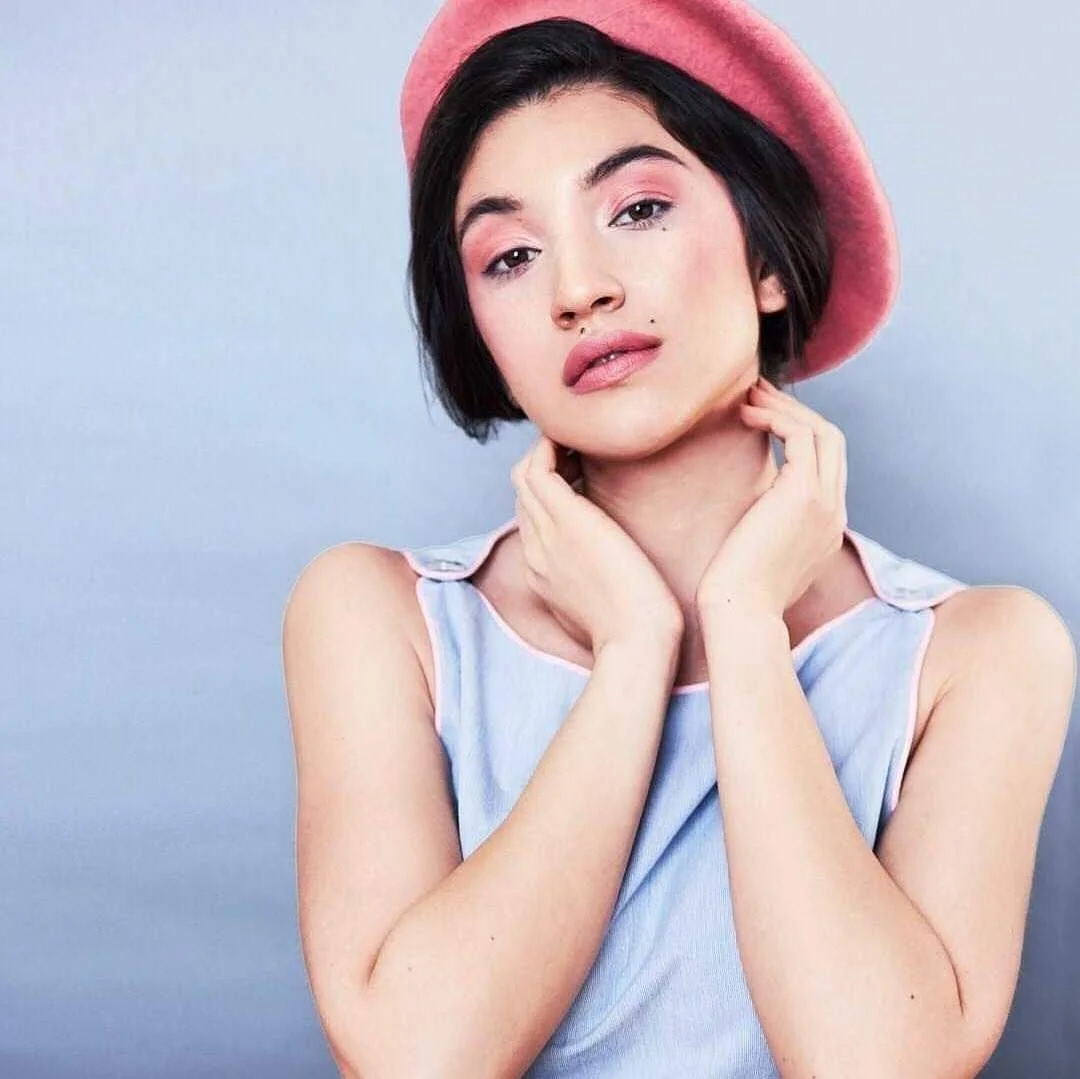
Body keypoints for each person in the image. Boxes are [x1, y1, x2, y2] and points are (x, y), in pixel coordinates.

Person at [281, 3, 1077, 1077]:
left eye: (640, 208)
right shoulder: (381, 617)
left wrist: (743, 626)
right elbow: (420, 1058)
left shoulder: (977, 652)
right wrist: (634, 650)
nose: (579, 289)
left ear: (769, 260)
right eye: (510, 257)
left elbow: (872, 1063)